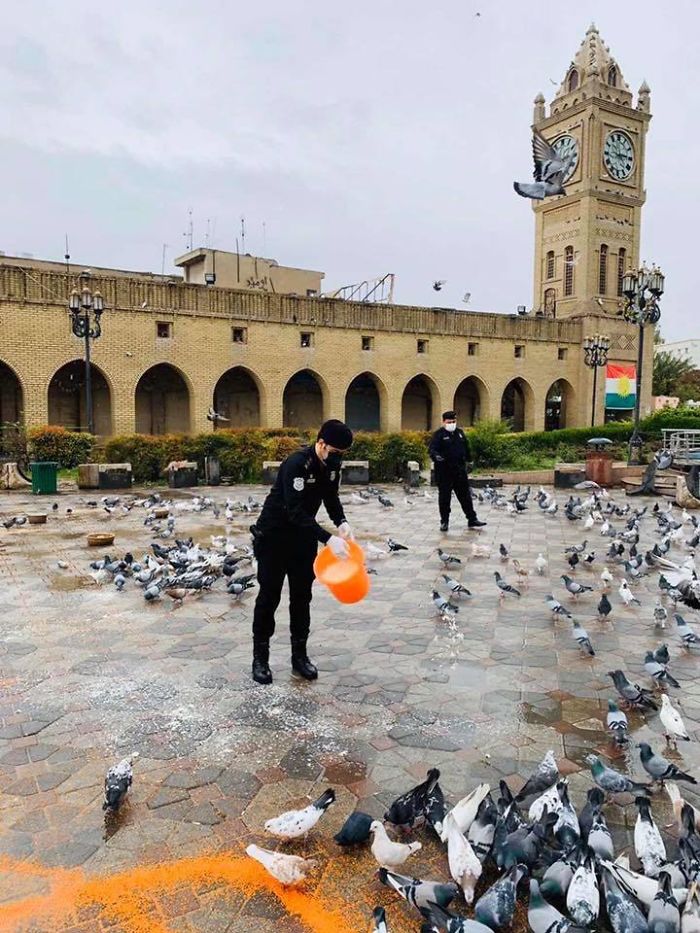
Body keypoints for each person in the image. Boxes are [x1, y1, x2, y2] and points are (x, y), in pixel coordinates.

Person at [250, 419, 354, 685]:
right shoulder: (297, 464)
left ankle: (300, 657)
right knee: (269, 597)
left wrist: (341, 522)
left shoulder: (330, 468)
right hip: (273, 538)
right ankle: (260, 659)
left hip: (302, 540)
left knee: (301, 598)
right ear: (321, 444)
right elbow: (294, 511)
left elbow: (330, 496)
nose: (338, 460)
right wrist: (328, 539)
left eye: (343, 455)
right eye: (335, 453)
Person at [428, 410, 486, 533]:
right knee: (444, 498)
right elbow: (432, 450)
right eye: (449, 422)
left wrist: (470, 461)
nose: (452, 424)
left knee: (465, 496)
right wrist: (436, 457)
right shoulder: (439, 435)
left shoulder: (459, 433)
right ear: (444, 422)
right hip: (444, 472)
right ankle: (444, 521)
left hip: (459, 471)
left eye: (454, 421)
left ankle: (472, 518)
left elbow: (466, 447)